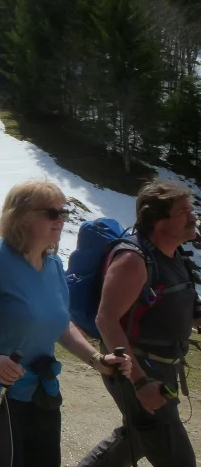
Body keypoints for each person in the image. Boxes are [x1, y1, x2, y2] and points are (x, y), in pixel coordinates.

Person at [0, 181, 131, 467]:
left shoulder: (54, 265)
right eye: (52, 213)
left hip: (40, 393)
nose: (60, 221)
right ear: (22, 216)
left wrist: (96, 359)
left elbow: (61, 324)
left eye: (64, 214)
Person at [77, 180, 199, 467]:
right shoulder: (133, 259)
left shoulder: (175, 254)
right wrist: (141, 382)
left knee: (135, 438)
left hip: (163, 368)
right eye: (184, 212)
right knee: (177, 459)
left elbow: (179, 306)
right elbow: (106, 319)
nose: (194, 217)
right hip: (138, 369)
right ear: (157, 220)